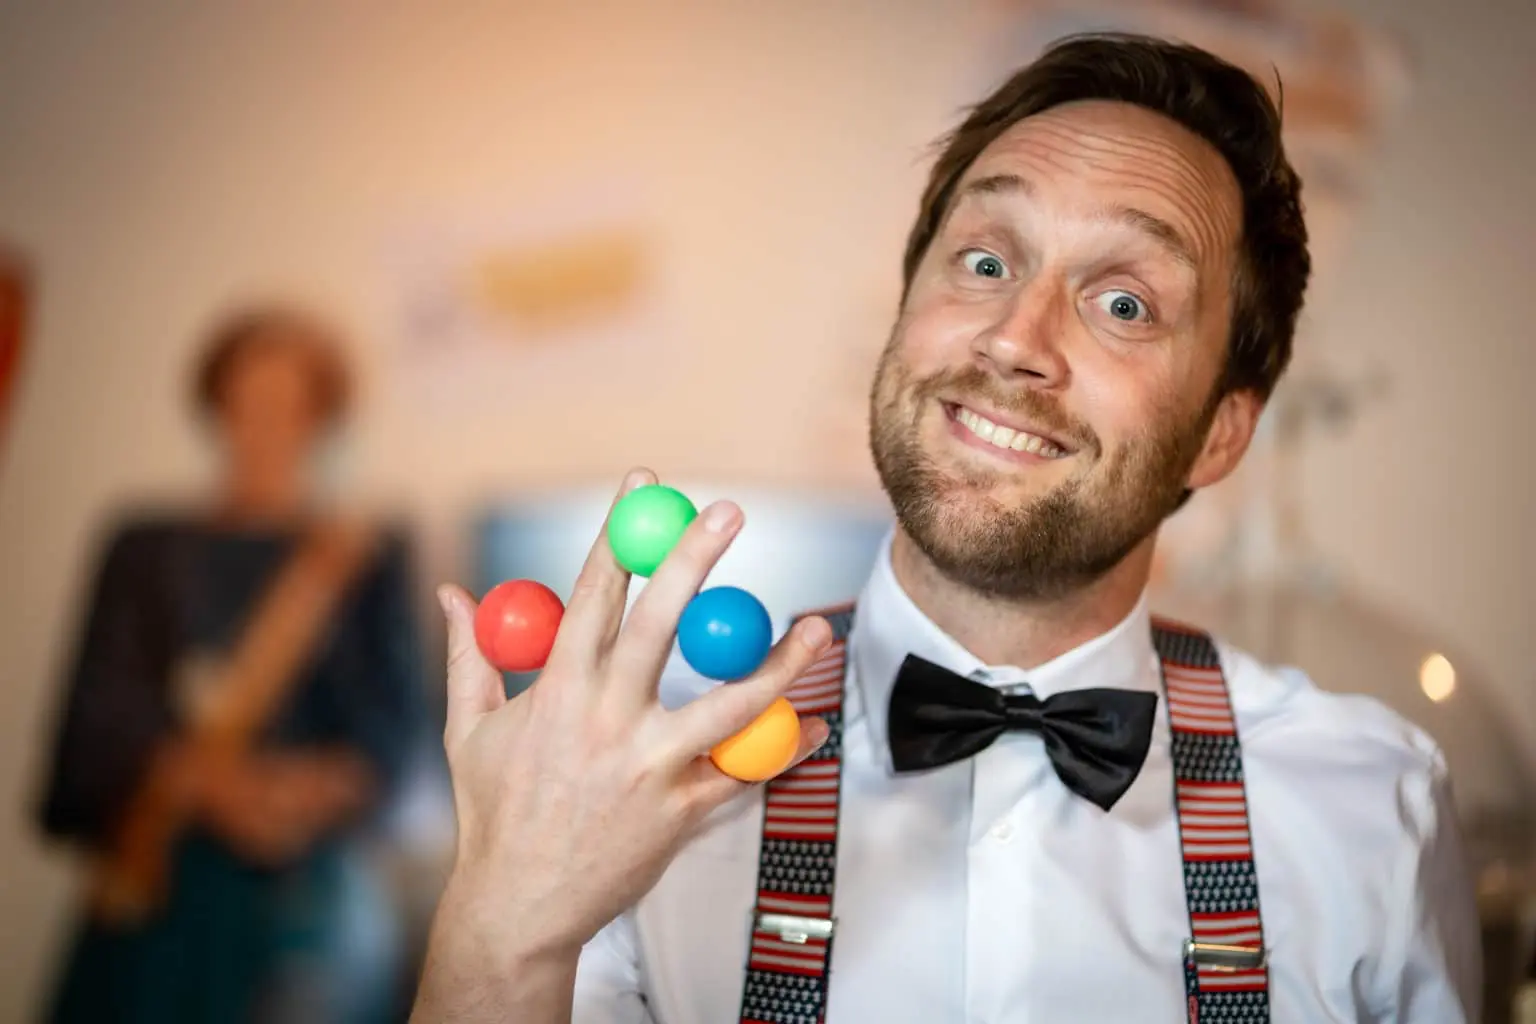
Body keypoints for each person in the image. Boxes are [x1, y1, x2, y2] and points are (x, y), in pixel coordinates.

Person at [409, 33, 1481, 1023]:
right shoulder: (634, 786)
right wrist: (503, 920)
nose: (1016, 338)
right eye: (985, 261)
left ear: (1220, 434)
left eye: (1124, 304)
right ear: (904, 310)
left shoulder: (1372, 809)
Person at [35, 306, 427, 1023]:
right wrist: (203, 782)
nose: (267, 425)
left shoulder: (367, 553)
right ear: (215, 408)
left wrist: (310, 790)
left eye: (290, 404)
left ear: (322, 418)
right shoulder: (144, 549)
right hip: (164, 889)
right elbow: (93, 728)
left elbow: (398, 742)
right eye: (248, 402)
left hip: (313, 905)